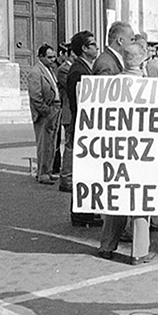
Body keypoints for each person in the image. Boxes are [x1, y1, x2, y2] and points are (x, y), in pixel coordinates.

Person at [94, 21, 135, 259]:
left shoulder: (111, 62)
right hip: (114, 137)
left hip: (123, 137)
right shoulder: (107, 64)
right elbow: (104, 103)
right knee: (117, 193)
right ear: (120, 41)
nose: (131, 44)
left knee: (121, 193)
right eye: (130, 40)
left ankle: (114, 239)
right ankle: (108, 244)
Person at [60, 31, 103, 227]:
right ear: (84, 49)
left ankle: (85, 211)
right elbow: (80, 101)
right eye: (93, 44)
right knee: (83, 171)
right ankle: (80, 214)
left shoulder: (85, 67)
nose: (96, 47)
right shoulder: (78, 71)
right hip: (82, 125)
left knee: (87, 170)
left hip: (85, 125)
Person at [27, 44, 62, 185]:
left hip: (55, 108)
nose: (53, 59)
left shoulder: (49, 70)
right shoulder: (36, 72)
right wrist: (46, 111)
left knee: (52, 143)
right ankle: (42, 173)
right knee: (44, 143)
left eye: (54, 56)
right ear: (40, 57)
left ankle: (47, 171)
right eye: (49, 57)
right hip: (46, 111)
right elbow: (35, 95)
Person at [54, 42, 72, 177]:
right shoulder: (63, 70)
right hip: (69, 112)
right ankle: (66, 175)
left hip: (75, 112)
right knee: (69, 145)